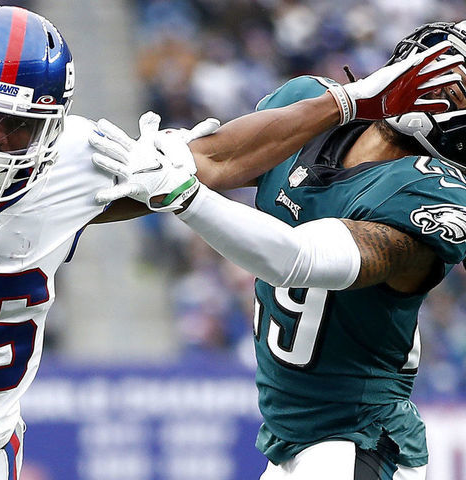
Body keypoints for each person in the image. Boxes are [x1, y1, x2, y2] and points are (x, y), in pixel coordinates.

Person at [0, 5, 459, 478]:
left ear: (52, 126)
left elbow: (212, 160)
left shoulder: (74, 161)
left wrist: (350, 102)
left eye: (18, 124)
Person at [88, 21, 466, 480]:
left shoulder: (434, 192)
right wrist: (52, 209)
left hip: (359, 440)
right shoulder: (311, 109)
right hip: (297, 443)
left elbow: (297, 259)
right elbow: (206, 163)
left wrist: (184, 194)